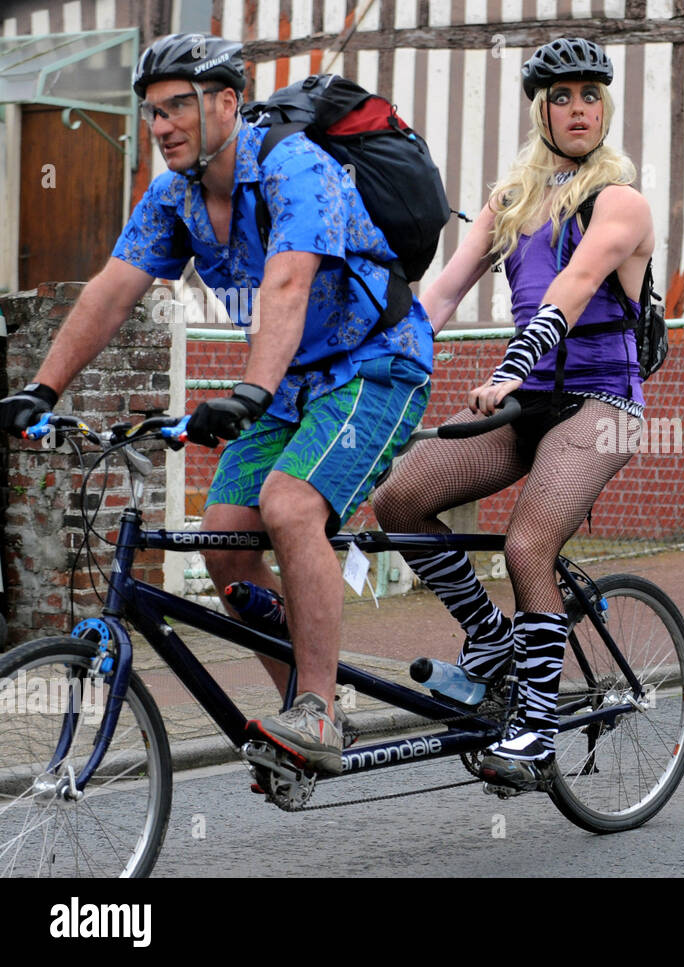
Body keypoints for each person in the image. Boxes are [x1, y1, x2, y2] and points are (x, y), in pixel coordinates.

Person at [0, 33, 433, 775]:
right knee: (228, 544)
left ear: (228, 103)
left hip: (374, 368)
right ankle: (292, 707)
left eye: (177, 107)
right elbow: (111, 291)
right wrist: (43, 387)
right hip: (289, 384)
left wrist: (248, 392)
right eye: (150, 113)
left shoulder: (297, 166)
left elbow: (287, 287)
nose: (160, 125)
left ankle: (321, 712)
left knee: (291, 506)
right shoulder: (175, 195)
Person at [370, 37, 654, 790]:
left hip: (605, 400)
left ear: (606, 105)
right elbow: (443, 291)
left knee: (528, 545)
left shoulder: (620, 200)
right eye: (561, 97)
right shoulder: (512, 201)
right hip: (530, 400)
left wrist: (510, 369)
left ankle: (533, 723)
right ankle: (491, 638)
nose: (578, 109)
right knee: (399, 499)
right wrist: (378, 361)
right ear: (540, 111)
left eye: (590, 95)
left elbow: (577, 284)